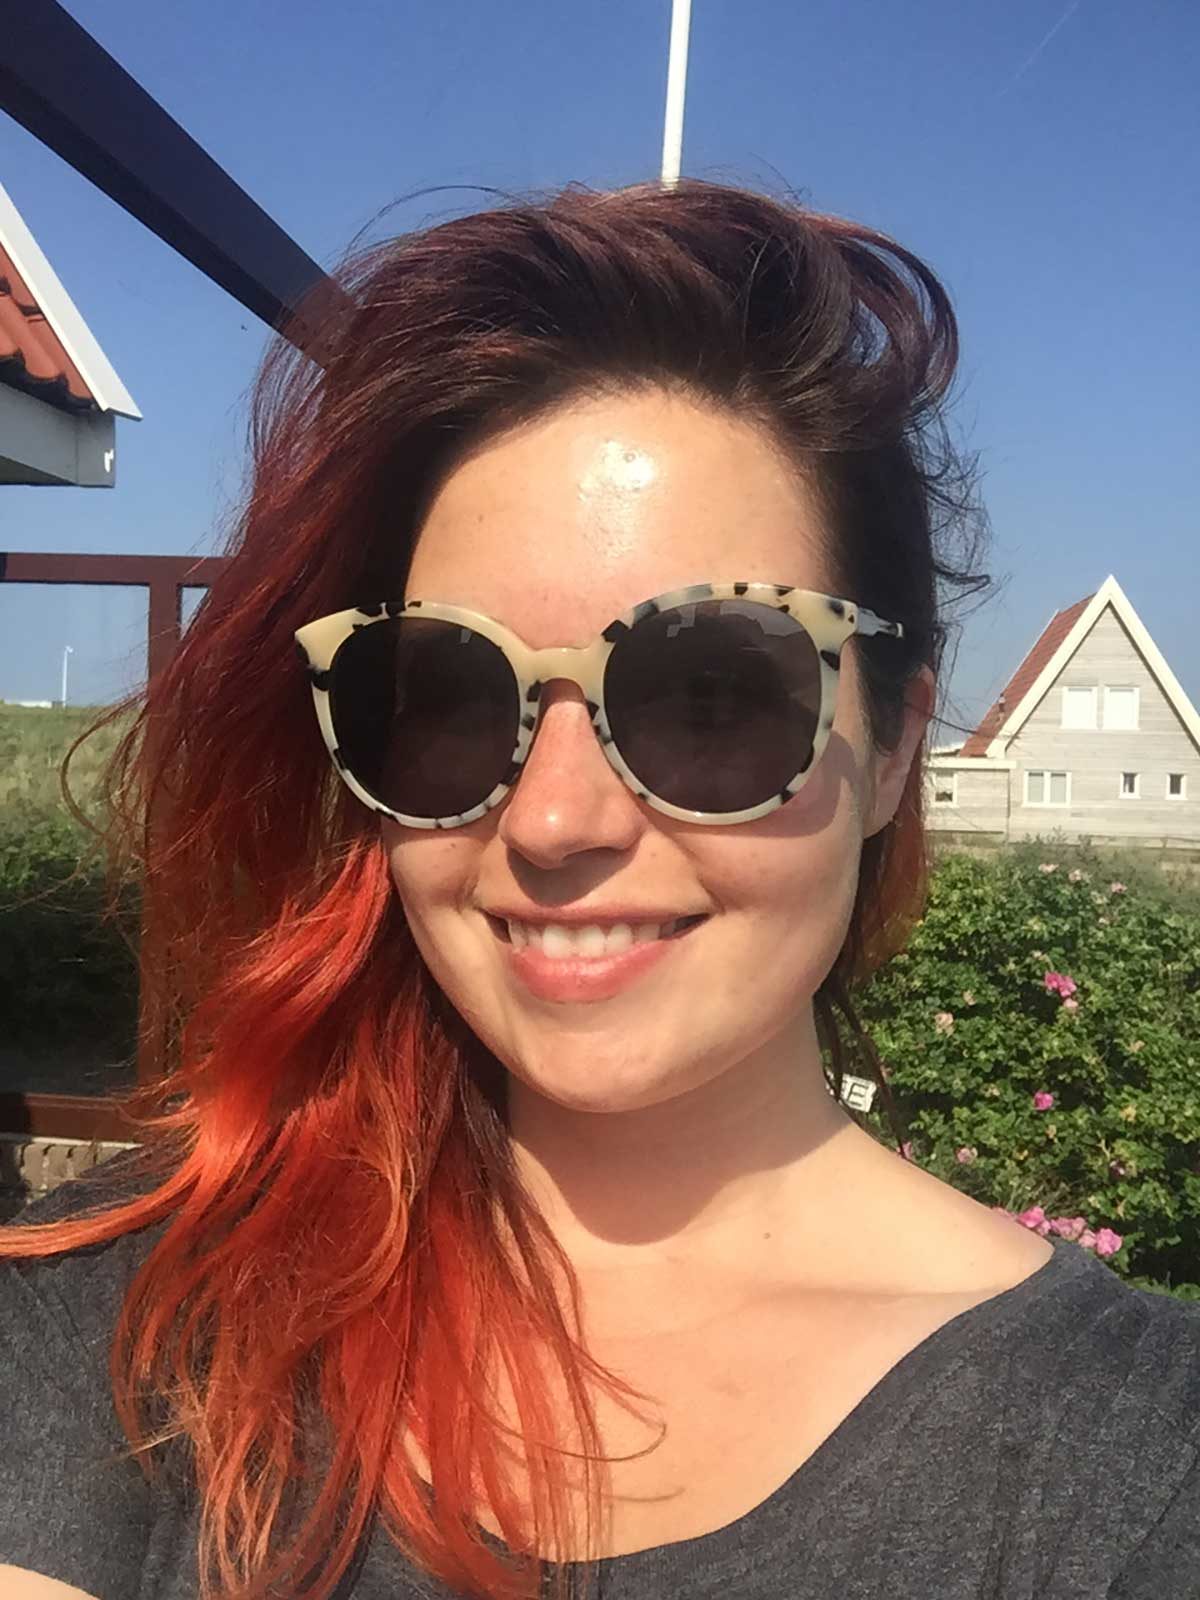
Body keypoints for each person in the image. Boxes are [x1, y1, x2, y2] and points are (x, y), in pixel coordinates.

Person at [1, 177, 1197, 1600]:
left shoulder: (1134, 1470)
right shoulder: (137, 1315)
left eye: (710, 695)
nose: (553, 820)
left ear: (892, 749)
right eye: (450, 694)